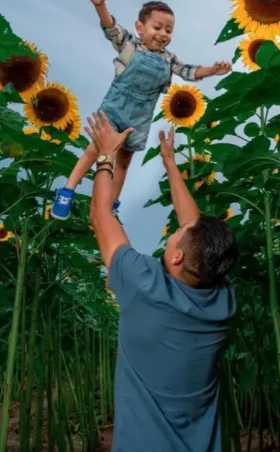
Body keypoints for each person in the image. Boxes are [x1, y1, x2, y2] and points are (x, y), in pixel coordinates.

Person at [84, 110, 239, 451]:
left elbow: (100, 214)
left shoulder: (144, 286)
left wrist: (106, 155)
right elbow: (194, 227)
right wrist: (170, 162)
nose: (179, 226)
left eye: (178, 233)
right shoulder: (221, 298)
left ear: (178, 256)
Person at [51, 0, 232, 220]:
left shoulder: (169, 59)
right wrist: (99, 5)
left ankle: (111, 206)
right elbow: (110, 28)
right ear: (140, 28)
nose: (163, 34)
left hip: (140, 117)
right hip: (116, 108)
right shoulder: (129, 46)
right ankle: (67, 190)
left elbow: (188, 71)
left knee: (124, 161)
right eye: (157, 27)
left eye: (169, 30)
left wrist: (212, 70)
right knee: (95, 150)